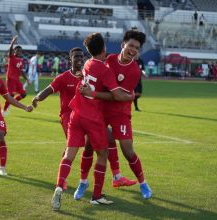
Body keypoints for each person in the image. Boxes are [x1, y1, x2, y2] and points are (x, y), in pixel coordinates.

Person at [32, 48, 136, 193]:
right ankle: (66, 181)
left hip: (87, 114)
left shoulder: (87, 74)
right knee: (74, 148)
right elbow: (49, 89)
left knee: (109, 137)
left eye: (82, 56)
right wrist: (36, 98)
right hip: (69, 116)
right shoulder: (63, 77)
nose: (80, 59)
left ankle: (116, 176)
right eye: (76, 57)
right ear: (70, 59)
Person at [51, 33, 135, 211]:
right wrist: (130, 96)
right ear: (103, 48)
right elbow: (116, 95)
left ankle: (59, 185)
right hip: (92, 117)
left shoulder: (87, 63)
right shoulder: (104, 70)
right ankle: (96, 196)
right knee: (103, 154)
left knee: (69, 154)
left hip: (76, 114)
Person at [80, 30, 152, 200]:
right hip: (101, 111)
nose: (133, 50)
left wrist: (93, 94)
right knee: (89, 144)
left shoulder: (134, 71)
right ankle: (83, 181)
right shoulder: (109, 59)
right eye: (131, 46)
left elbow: (118, 97)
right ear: (123, 45)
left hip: (120, 112)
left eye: (137, 48)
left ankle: (143, 183)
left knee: (128, 150)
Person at [2, 36, 29, 116]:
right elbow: (10, 51)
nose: (20, 52)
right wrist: (13, 42)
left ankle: (11, 103)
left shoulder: (21, 60)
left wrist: (26, 79)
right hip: (10, 79)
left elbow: (21, 71)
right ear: (14, 51)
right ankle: (4, 110)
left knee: (23, 94)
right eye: (18, 50)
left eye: (21, 51)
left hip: (17, 80)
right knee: (11, 95)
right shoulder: (12, 57)